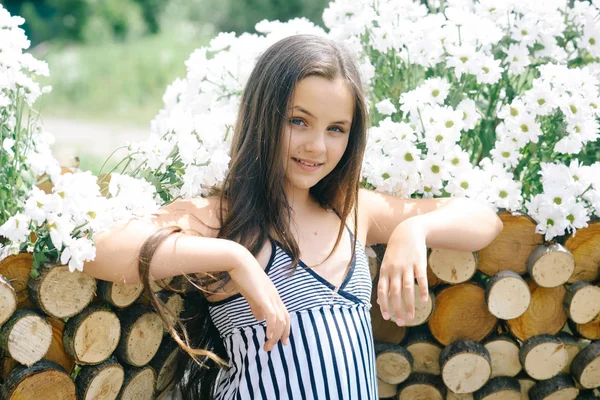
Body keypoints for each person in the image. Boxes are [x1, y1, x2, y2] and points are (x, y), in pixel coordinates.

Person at [84, 34, 503, 399]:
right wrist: (236, 259)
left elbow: (485, 220)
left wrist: (415, 227)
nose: (317, 147)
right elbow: (101, 248)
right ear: (264, 116)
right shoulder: (225, 219)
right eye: (298, 121)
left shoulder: (352, 210)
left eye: (336, 129)